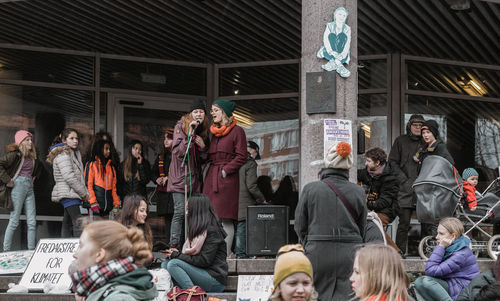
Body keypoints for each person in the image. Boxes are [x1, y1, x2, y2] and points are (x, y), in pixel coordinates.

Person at [295, 142, 367, 300]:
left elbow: (300, 225)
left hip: (318, 251)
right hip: (351, 252)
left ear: (327, 162)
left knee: (315, 295)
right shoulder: (358, 191)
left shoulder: (310, 189)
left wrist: (309, 243)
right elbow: (362, 227)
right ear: (348, 166)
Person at [70, 220, 157, 300]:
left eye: (81, 246)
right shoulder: (108, 293)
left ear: (99, 254)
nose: (75, 255)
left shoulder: (117, 298)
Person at [203, 99, 247, 255]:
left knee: (225, 218)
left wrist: (226, 170)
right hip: (211, 179)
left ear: (224, 113)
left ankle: (226, 255)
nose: (212, 113)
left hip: (227, 180)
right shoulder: (215, 133)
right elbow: (209, 157)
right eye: (212, 110)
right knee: (211, 218)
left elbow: (242, 156)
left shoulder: (238, 131)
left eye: (215, 110)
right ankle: (213, 254)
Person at [161, 194, 228, 293]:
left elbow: (204, 261)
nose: (186, 213)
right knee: (165, 264)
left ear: (197, 211)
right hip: (201, 273)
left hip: (214, 280)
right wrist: (176, 253)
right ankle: (176, 294)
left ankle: (194, 297)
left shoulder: (213, 231)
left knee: (173, 264)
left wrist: (178, 256)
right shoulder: (199, 231)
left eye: (189, 209)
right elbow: (192, 256)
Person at [167, 99, 209, 249]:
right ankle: (174, 245)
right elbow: (178, 152)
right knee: (179, 212)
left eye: (201, 111)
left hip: (194, 181)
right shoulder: (181, 125)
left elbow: (203, 159)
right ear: (190, 114)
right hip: (180, 179)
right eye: (196, 111)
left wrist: (203, 148)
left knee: (194, 214)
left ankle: (192, 244)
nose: (198, 114)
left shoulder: (204, 129)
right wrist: (189, 136)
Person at [414, 217, 479, 301]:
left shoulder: (461, 254)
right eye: (437, 233)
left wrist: (440, 247)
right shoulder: (450, 248)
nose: (437, 237)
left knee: (427, 281)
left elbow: (431, 271)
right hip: (453, 284)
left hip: (464, 289)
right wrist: (441, 248)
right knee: (419, 282)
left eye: (441, 233)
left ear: (453, 236)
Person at [389, 114, 425, 257]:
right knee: (403, 224)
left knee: (427, 224)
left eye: (421, 125)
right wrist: (403, 179)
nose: (418, 127)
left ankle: (425, 253)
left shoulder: (427, 141)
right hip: (405, 189)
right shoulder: (400, 141)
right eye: (415, 125)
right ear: (409, 126)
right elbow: (392, 162)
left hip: (424, 189)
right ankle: (400, 252)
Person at [0, 130, 42, 251]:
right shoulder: (15, 154)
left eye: (31, 140)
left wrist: (34, 177)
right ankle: (5, 251)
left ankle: (31, 251)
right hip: (18, 186)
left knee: (32, 222)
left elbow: (39, 168)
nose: (30, 142)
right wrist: (8, 180)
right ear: (21, 142)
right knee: (14, 221)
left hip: (29, 186)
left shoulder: (33, 156)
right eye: (27, 140)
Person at [47, 128, 89, 238]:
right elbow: (69, 177)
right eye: (72, 138)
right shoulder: (63, 154)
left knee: (67, 222)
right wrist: (83, 193)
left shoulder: (73, 153)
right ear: (64, 140)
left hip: (71, 192)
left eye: (76, 138)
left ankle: (65, 249)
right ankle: (79, 248)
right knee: (78, 222)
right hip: (68, 192)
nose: (75, 141)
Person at [357, 147, 400, 252]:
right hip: (371, 208)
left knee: (374, 224)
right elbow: (354, 175)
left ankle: (395, 252)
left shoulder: (390, 178)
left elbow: (384, 202)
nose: (366, 164)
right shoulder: (366, 172)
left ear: (377, 163)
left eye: (368, 161)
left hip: (387, 210)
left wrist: (366, 203)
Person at [235, 140, 266, 258]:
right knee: (242, 228)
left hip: (232, 200)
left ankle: (234, 254)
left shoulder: (235, 161)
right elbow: (252, 186)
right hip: (245, 201)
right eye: (255, 153)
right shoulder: (250, 163)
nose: (255, 156)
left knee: (233, 227)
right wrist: (262, 199)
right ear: (252, 150)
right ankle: (241, 256)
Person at [85, 139, 120, 216]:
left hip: (108, 208)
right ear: (99, 149)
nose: (108, 151)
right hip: (95, 208)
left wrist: (116, 204)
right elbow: (88, 186)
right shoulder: (91, 165)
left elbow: (114, 189)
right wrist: (93, 203)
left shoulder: (111, 168)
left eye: (109, 149)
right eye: (106, 149)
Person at [152, 129, 174, 243]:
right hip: (164, 195)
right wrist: (157, 179)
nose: (166, 141)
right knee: (167, 222)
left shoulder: (177, 155)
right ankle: (168, 245)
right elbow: (153, 172)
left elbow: (181, 174)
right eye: (165, 138)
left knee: (175, 221)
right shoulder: (161, 156)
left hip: (174, 194)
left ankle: (174, 246)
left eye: (169, 138)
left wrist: (169, 178)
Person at [316, 7, 351, 77]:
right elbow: (325, 39)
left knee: (342, 36)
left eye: (344, 16)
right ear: (335, 15)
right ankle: (339, 66)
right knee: (331, 35)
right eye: (340, 14)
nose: (341, 17)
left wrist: (342, 55)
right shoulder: (329, 25)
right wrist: (331, 51)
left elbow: (347, 43)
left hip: (341, 54)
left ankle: (333, 63)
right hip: (329, 52)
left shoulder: (347, 28)